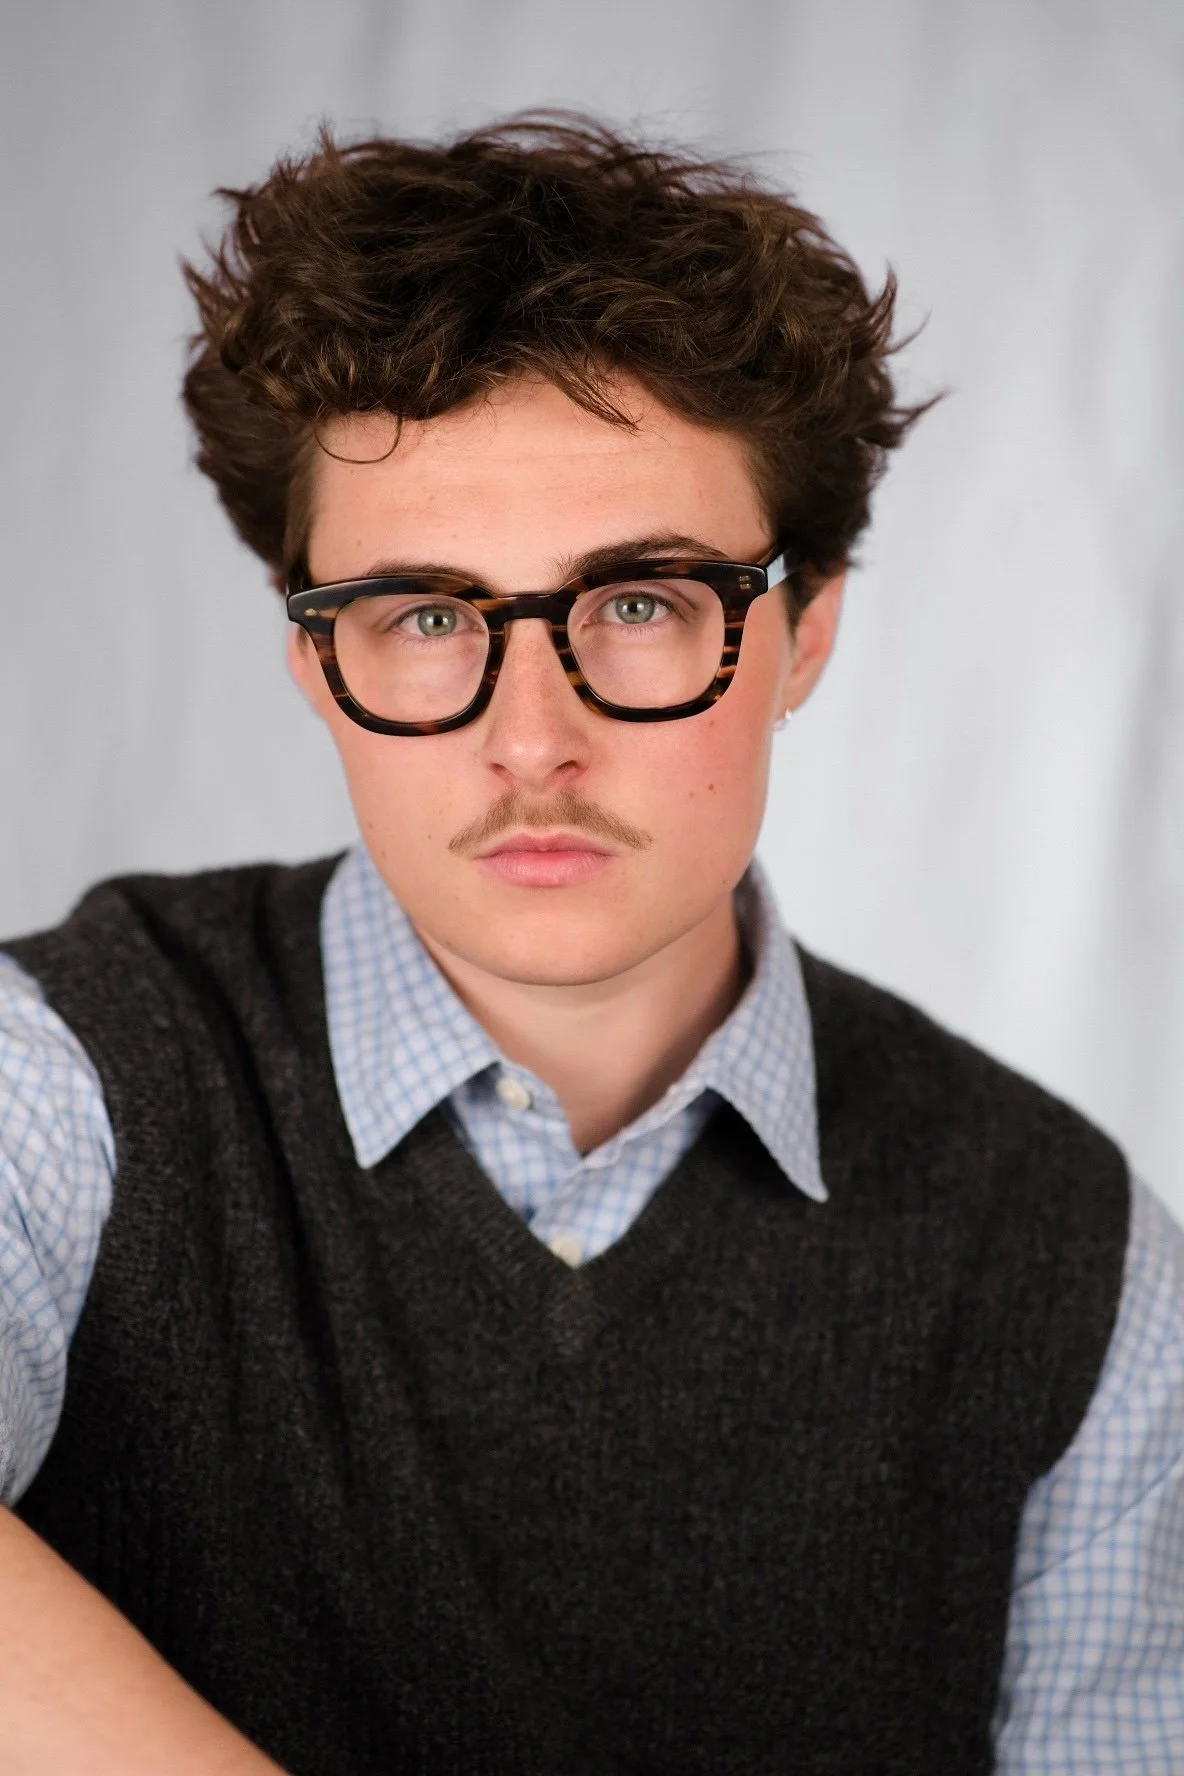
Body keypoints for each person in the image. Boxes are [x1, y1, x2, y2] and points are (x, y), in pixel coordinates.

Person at [1, 116, 1180, 1776]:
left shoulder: (1067, 1251)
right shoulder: (72, 1072)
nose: (530, 740)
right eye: (425, 617)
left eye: (638, 604)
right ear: (314, 661)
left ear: (800, 637)